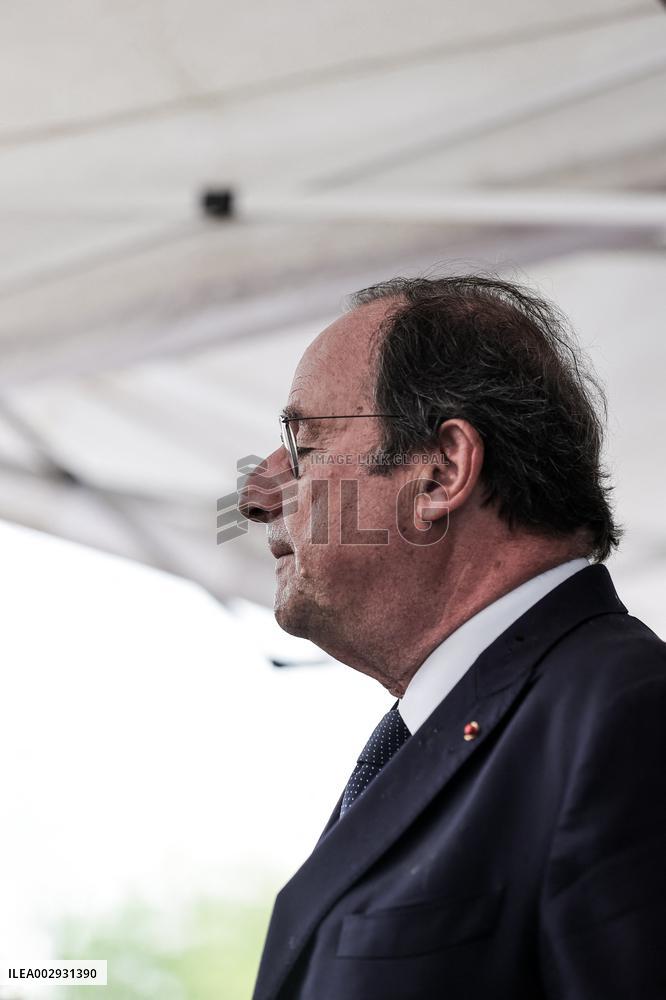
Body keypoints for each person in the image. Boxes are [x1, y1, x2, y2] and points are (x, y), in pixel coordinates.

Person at [239, 275, 666, 1000]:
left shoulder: (629, 719)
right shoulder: (492, 722)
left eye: (302, 446)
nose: (253, 495)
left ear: (440, 472)